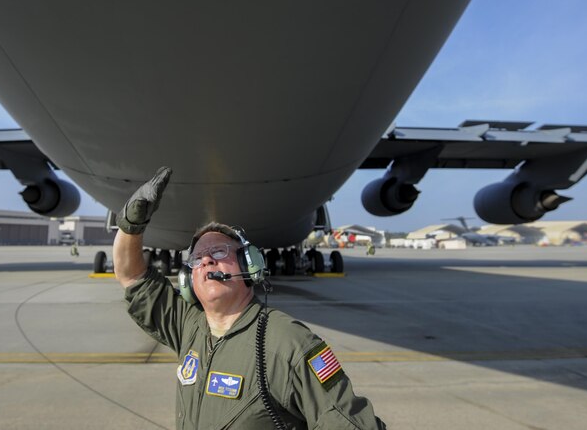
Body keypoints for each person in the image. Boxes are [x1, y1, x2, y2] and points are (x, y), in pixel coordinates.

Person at [113, 167, 385, 429]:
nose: (206, 260)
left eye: (219, 252)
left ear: (249, 266)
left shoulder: (288, 343)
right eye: (197, 259)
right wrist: (130, 226)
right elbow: (132, 276)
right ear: (188, 280)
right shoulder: (189, 326)